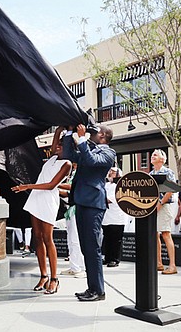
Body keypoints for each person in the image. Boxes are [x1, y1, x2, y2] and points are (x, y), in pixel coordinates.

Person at [12, 126, 71, 294]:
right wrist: (59, 129)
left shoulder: (66, 164)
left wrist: (27, 186)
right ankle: (43, 276)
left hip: (47, 199)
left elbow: (52, 185)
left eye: (61, 144)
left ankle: (54, 279)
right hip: (36, 198)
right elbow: (53, 145)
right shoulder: (53, 158)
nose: (57, 146)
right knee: (37, 238)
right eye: (58, 144)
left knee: (47, 238)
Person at [62, 124, 116, 302]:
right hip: (81, 201)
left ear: (102, 136)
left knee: (92, 248)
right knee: (86, 247)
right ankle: (92, 287)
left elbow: (93, 161)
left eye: (93, 132)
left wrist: (83, 138)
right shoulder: (88, 150)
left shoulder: (109, 153)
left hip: (94, 203)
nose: (89, 134)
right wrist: (69, 133)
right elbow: (69, 155)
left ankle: (98, 291)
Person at [150, 149, 178, 275]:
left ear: (163, 159)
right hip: (153, 207)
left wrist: (160, 203)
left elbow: (171, 189)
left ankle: (172, 265)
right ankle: (159, 263)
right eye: (152, 155)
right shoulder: (150, 173)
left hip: (165, 206)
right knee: (155, 234)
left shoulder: (168, 172)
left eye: (155, 155)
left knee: (166, 233)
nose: (152, 157)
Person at [59, 162, 87, 278]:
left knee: (75, 239)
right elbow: (68, 193)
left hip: (77, 208)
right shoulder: (73, 173)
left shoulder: (80, 173)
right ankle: (74, 266)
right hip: (71, 209)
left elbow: (72, 187)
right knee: (71, 239)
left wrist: (54, 184)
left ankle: (80, 268)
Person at [103, 167, 127, 267]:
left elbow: (109, 199)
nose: (110, 173)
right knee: (107, 238)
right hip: (106, 217)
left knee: (116, 240)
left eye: (113, 172)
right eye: (110, 172)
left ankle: (115, 259)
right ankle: (107, 257)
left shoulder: (121, 186)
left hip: (117, 217)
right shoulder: (106, 185)